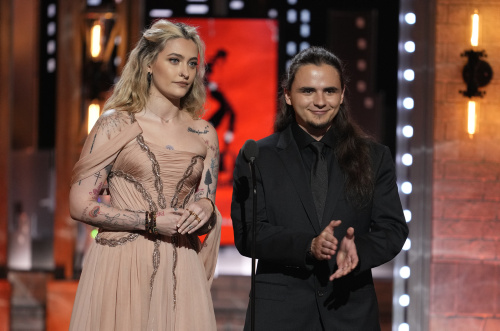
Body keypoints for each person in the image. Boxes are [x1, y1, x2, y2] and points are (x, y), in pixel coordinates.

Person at [231, 46, 409, 330]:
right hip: (280, 315)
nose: (319, 101)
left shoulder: (374, 157)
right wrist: (308, 245)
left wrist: (357, 249)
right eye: (307, 91)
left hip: (349, 311)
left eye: (329, 91)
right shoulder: (257, 156)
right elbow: (248, 232)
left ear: (342, 94)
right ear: (288, 95)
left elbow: (393, 229)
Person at [69, 19, 221, 331]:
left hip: (182, 266)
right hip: (121, 264)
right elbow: (79, 204)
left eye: (192, 63)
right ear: (149, 64)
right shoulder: (115, 124)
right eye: (174, 60)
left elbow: (206, 203)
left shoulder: (205, 133)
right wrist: (150, 221)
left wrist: (205, 209)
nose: (185, 72)